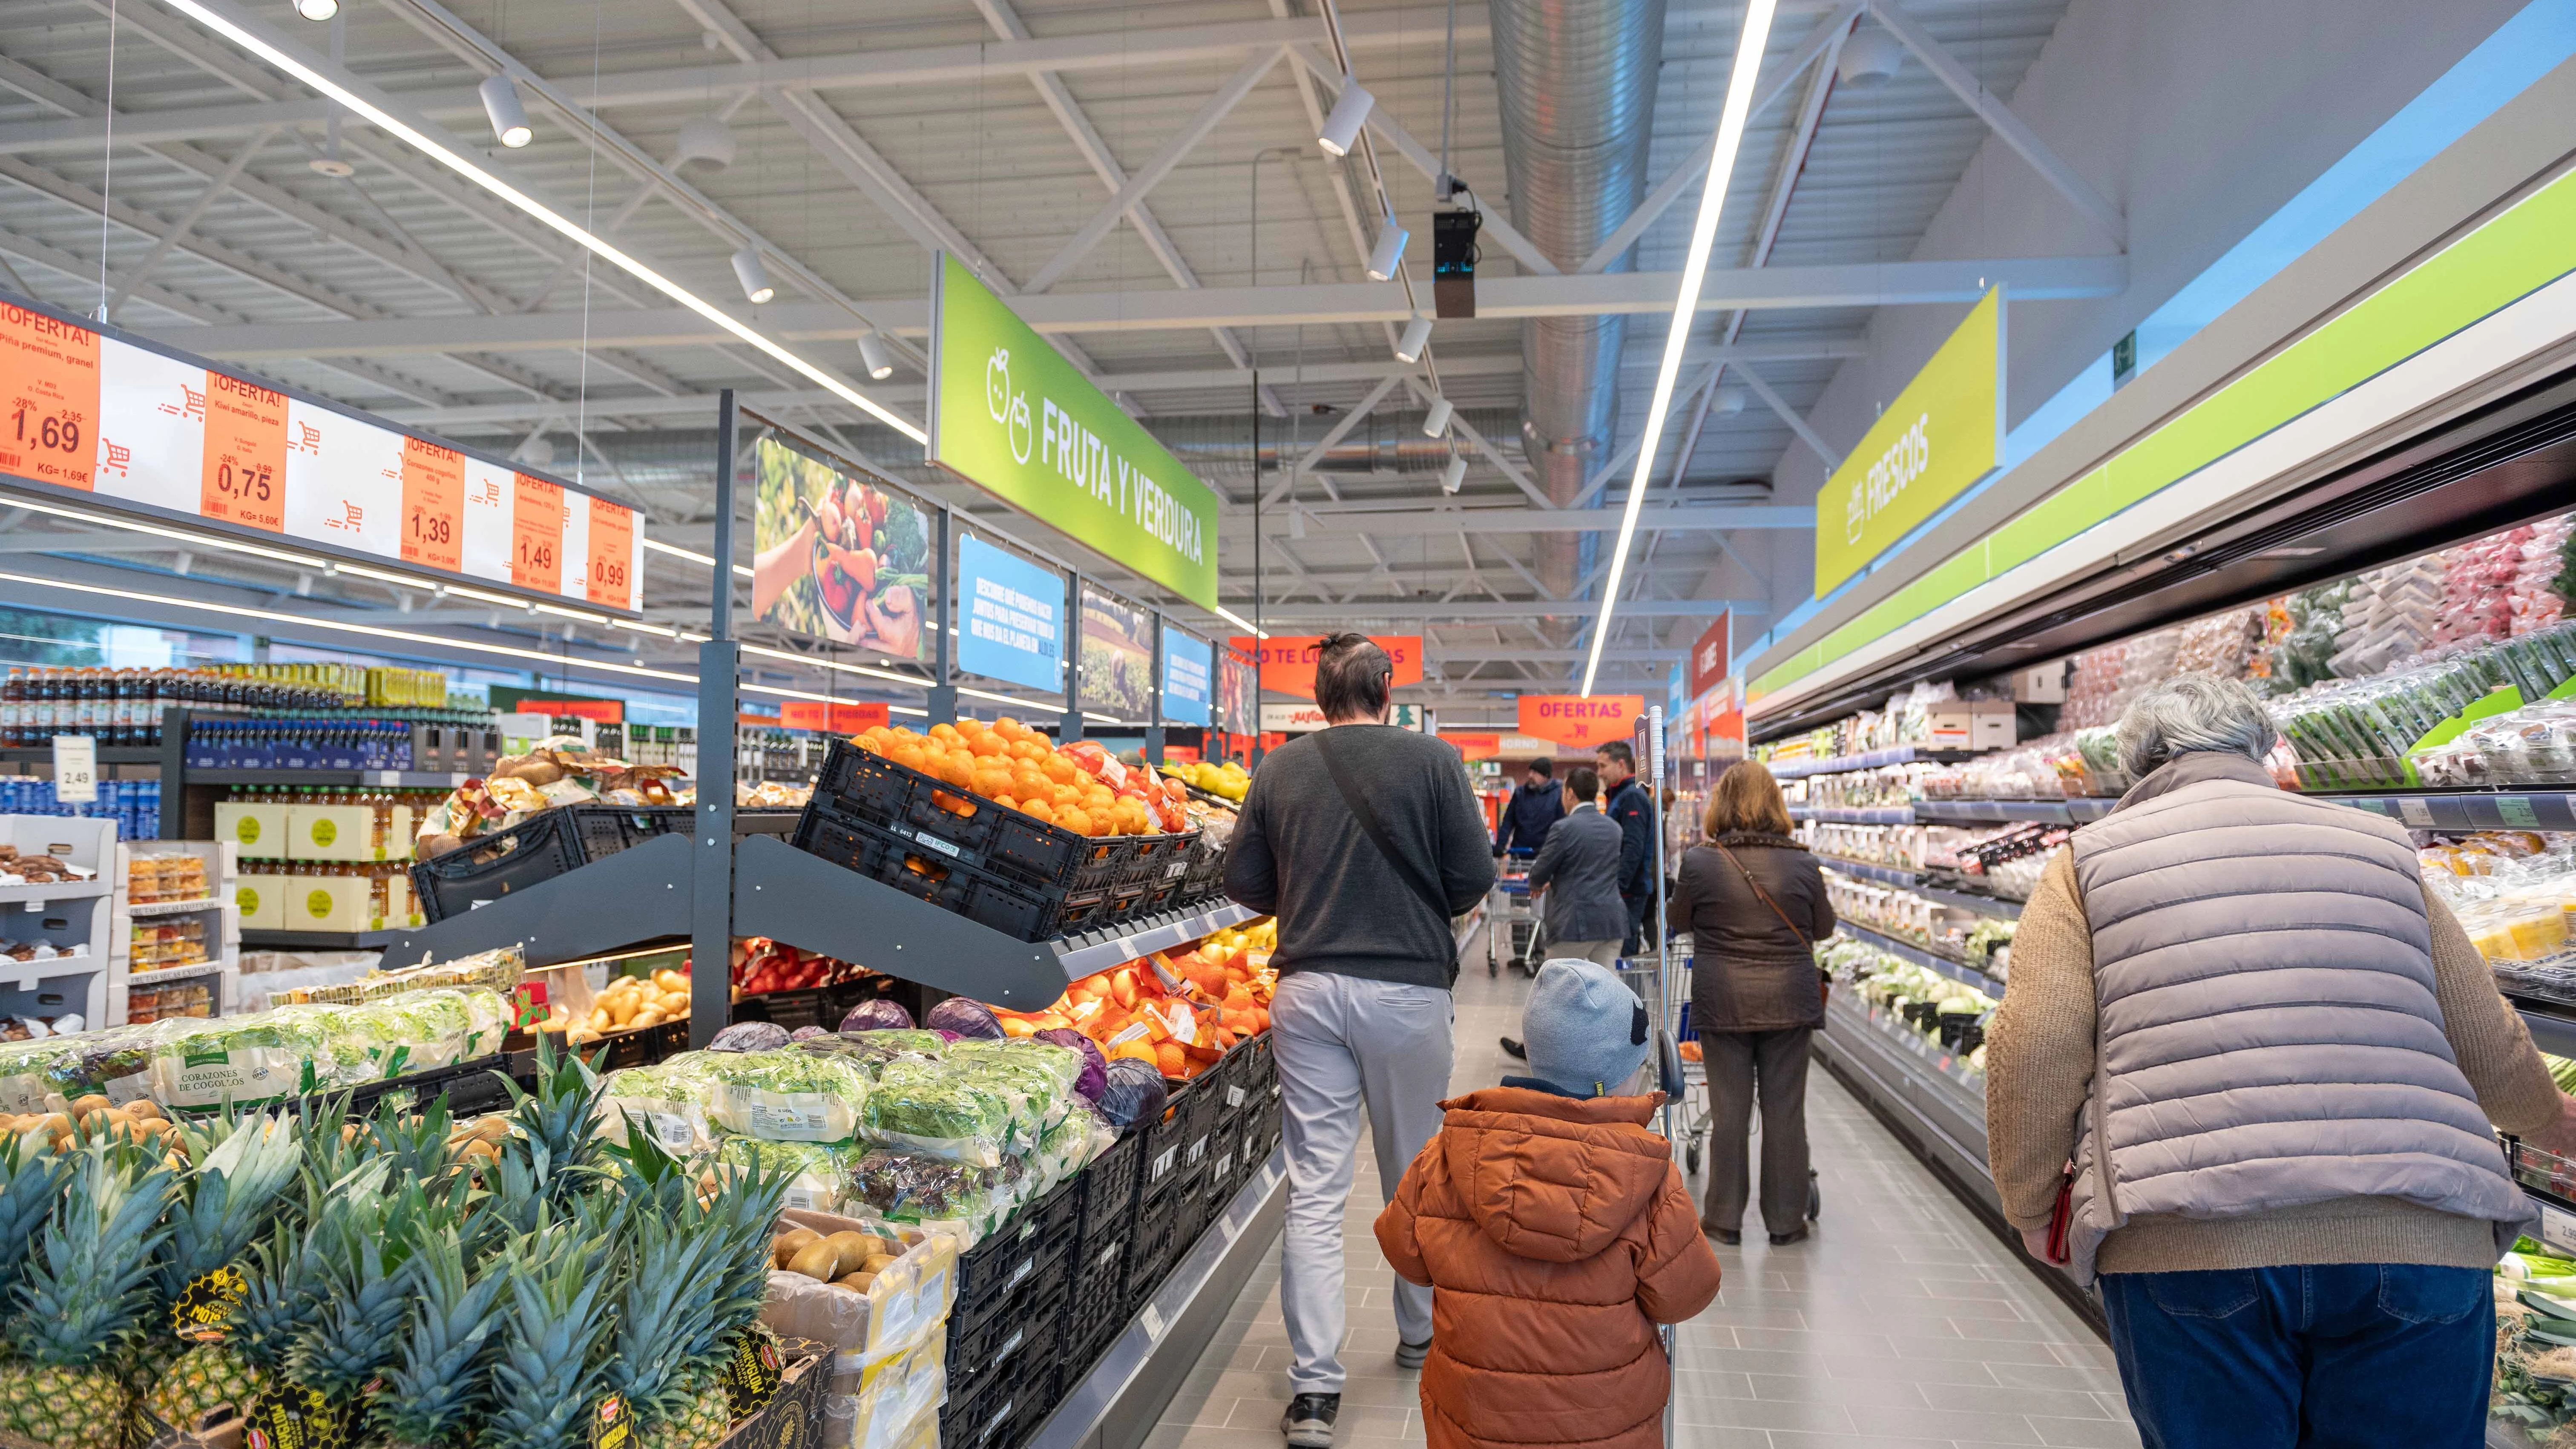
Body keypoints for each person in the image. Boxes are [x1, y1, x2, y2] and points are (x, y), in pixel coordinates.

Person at [1987, 673, 2576, 1449]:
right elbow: (2483, 1033)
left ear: (2137, 767)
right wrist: (2550, 1128)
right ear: (2265, 748)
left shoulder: (2089, 862)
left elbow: (2034, 1042)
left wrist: (2032, 1207)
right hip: (2415, 1235)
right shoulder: (2377, 846)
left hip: (2187, 1241)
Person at [1223, 633, 1498, 1449]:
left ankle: (1313, 1391)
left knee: (1314, 1186)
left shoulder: (1279, 769)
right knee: (1415, 1170)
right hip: (1407, 990)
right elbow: (1473, 877)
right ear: (1386, 688)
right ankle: (1419, 1333)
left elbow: (1242, 882)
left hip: (1307, 992)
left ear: (1317, 693)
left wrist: (1307, 888)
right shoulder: (1435, 762)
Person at [1375, 958, 1722, 1449]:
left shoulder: (1449, 1153)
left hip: (1475, 1422)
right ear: (1616, 1079)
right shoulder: (1647, 1178)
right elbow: (1685, 1294)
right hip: (1604, 1426)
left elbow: (1404, 1252)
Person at [1666, 759, 1832, 1246]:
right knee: (1785, 1112)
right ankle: (1786, 1222)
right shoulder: (1803, 862)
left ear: (1722, 805)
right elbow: (1823, 928)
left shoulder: (1701, 862)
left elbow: (1679, 920)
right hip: (1790, 1001)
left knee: (1729, 1112)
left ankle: (1723, 1218)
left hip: (1725, 1000)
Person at [1497, 765, 1630, 1062]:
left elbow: (1542, 870)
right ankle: (1606, 1053)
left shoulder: (1565, 828)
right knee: (1607, 991)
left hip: (1573, 923)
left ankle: (1538, 1050)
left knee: (1552, 990)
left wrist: (1537, 883)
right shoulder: (1614, 828)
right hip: (1610, 922)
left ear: (1569, 793)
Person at [1596, 740, 1656, 955]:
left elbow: (1633, 846)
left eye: (1603, 766)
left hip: (1629, 891)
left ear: (1621, 764)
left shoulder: (1631, 797)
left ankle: (1628, 990)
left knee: (1625, 954)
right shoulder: (1621, 796)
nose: (1600, 773)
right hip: (1624, 888)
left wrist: (1619, 886)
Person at [1495, 758, 1565, 858]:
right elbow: (1508, 821)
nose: (1530, 775)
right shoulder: (1520, 793)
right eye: (1530, 771)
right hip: (1519, 854)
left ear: (1546, 776)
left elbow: (1561, 825)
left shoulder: (1558, 795)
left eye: (1535, 773)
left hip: (1545, 855)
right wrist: (1500, 845)